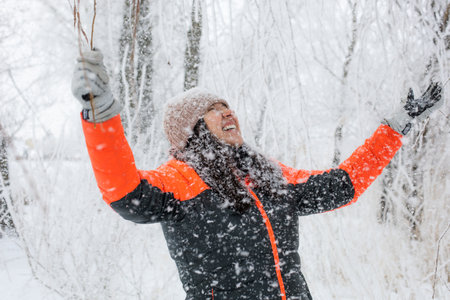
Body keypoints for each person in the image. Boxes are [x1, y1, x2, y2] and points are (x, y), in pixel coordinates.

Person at [71, 50, 443, 300]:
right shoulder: (180, 180)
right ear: (192, 130)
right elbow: (124, 191)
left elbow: (344, 184)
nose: (227, 112)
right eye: (213, 110)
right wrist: (100, 114)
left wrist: (397, 126)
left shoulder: (269, 176)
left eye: (227, 104)